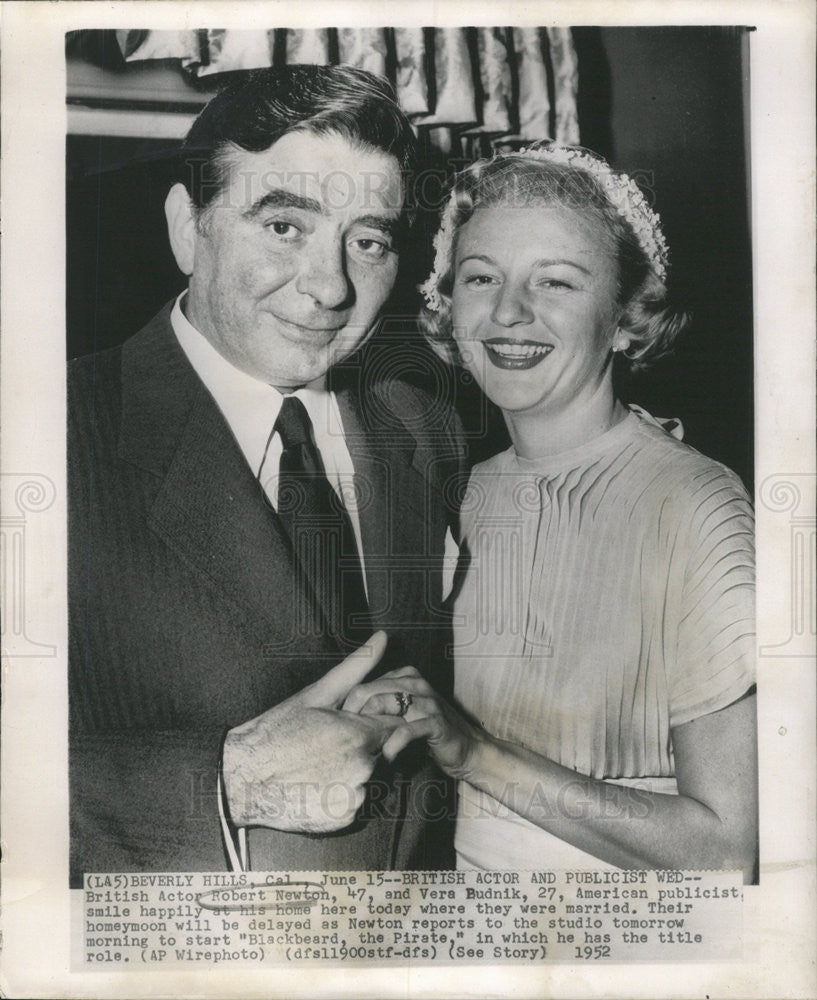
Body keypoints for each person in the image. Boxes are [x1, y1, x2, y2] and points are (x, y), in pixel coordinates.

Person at [68, 65, 463, 887]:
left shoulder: (424, 430)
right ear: (188, 227)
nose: (328, 287)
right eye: (283, 225)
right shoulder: (48, 432)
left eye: (368, 240)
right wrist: (227, 780)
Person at [345, 143, 758, 880]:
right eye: (481, 278)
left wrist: (476, 754)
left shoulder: (695, 505)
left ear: (626, 317)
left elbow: (724, 849)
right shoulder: (456, 494)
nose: (508, 313)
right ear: (446, 304)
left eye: (555, 283)